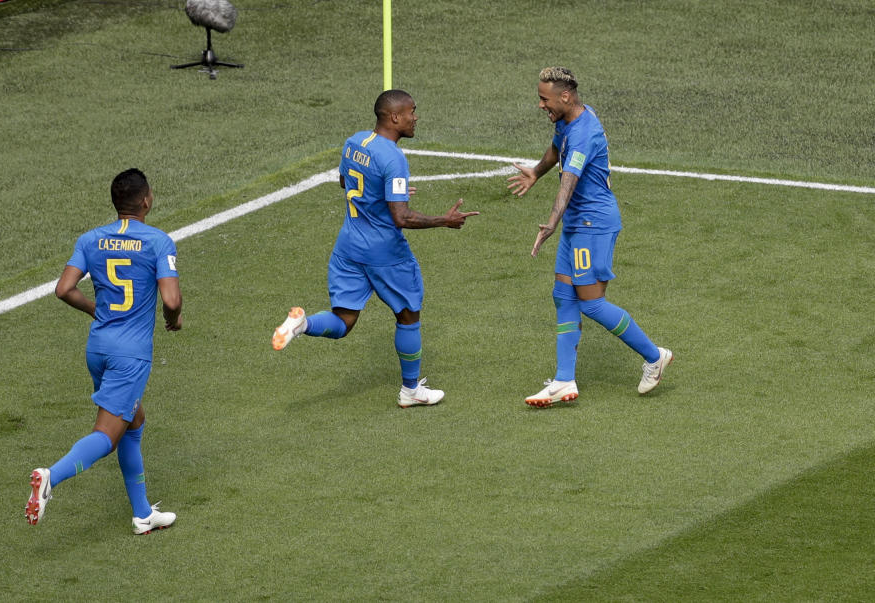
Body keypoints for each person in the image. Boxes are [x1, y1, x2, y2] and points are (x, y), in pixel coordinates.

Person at [272, 89, 478, 407]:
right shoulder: (393, 159)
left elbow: (346, 182)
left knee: (343, 321)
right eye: (411, 111)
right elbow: (402, 216)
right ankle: (411, 391)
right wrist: (444, 220)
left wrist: (384, 190)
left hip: (349, 246)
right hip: (385, 253)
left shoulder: (355, 142)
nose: (415, 117)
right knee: (409, 315)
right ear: (394, 117)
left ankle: (303, 324)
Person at [26, 168, 183, 534]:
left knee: (134, 420)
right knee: (107, 435)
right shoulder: (158, 242)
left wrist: (95, 309)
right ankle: (50, 477)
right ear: (146, 200)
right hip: (131, 356)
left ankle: (143, 514)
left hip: (98, 347)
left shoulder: (90, 239)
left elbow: (64, 289)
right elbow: (171, 299)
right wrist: (174, 318)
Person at [507, 67, 672, 407]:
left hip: (593, 224)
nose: (541, 105)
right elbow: (557, 148)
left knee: (592, 303)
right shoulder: (567, 118)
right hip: (577, 223)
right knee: (563, 296)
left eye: (544, 99)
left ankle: (655, 356)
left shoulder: (584, 132)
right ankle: (564, 380)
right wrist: (536, 172)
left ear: (564, 96)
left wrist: (551, 222)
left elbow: (569, 179)